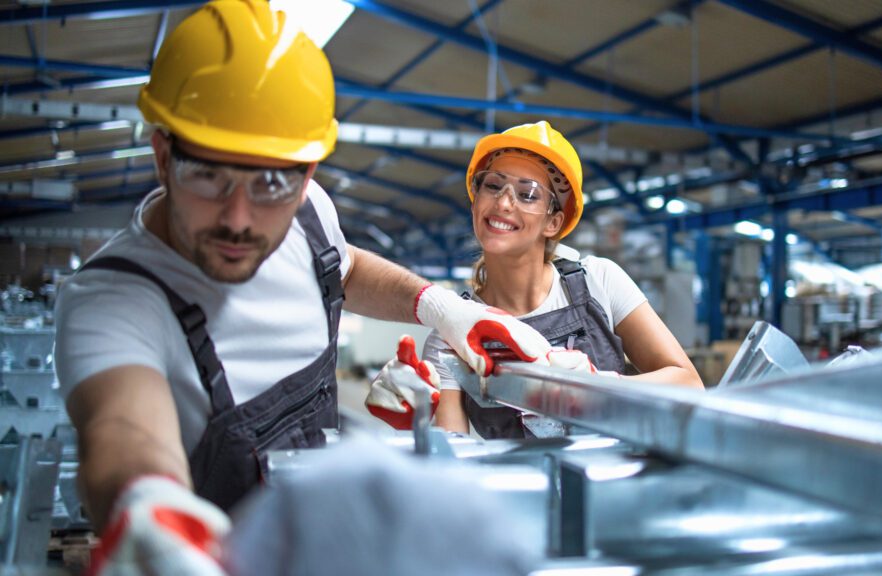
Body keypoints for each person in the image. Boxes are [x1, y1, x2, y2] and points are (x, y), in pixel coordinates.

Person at [53, 2, 551, 572]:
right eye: (208, 175)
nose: (239, 217)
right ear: (163, 154)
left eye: (270, 183)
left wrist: (439, 307)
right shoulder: (113, 301)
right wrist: (147, 505)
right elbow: (122, 424)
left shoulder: (308, 211)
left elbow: (347, 268)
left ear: (306, 174)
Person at [365, 121, 703, 440]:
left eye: (527, 194)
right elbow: (454, 461)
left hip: (610, 489)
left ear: (553, 222)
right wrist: (422, 422)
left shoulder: (600, 282)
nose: (503, 201)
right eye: (493, 185)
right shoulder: (454, 332)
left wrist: (599, 386)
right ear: (474, 204)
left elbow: (688, 385)